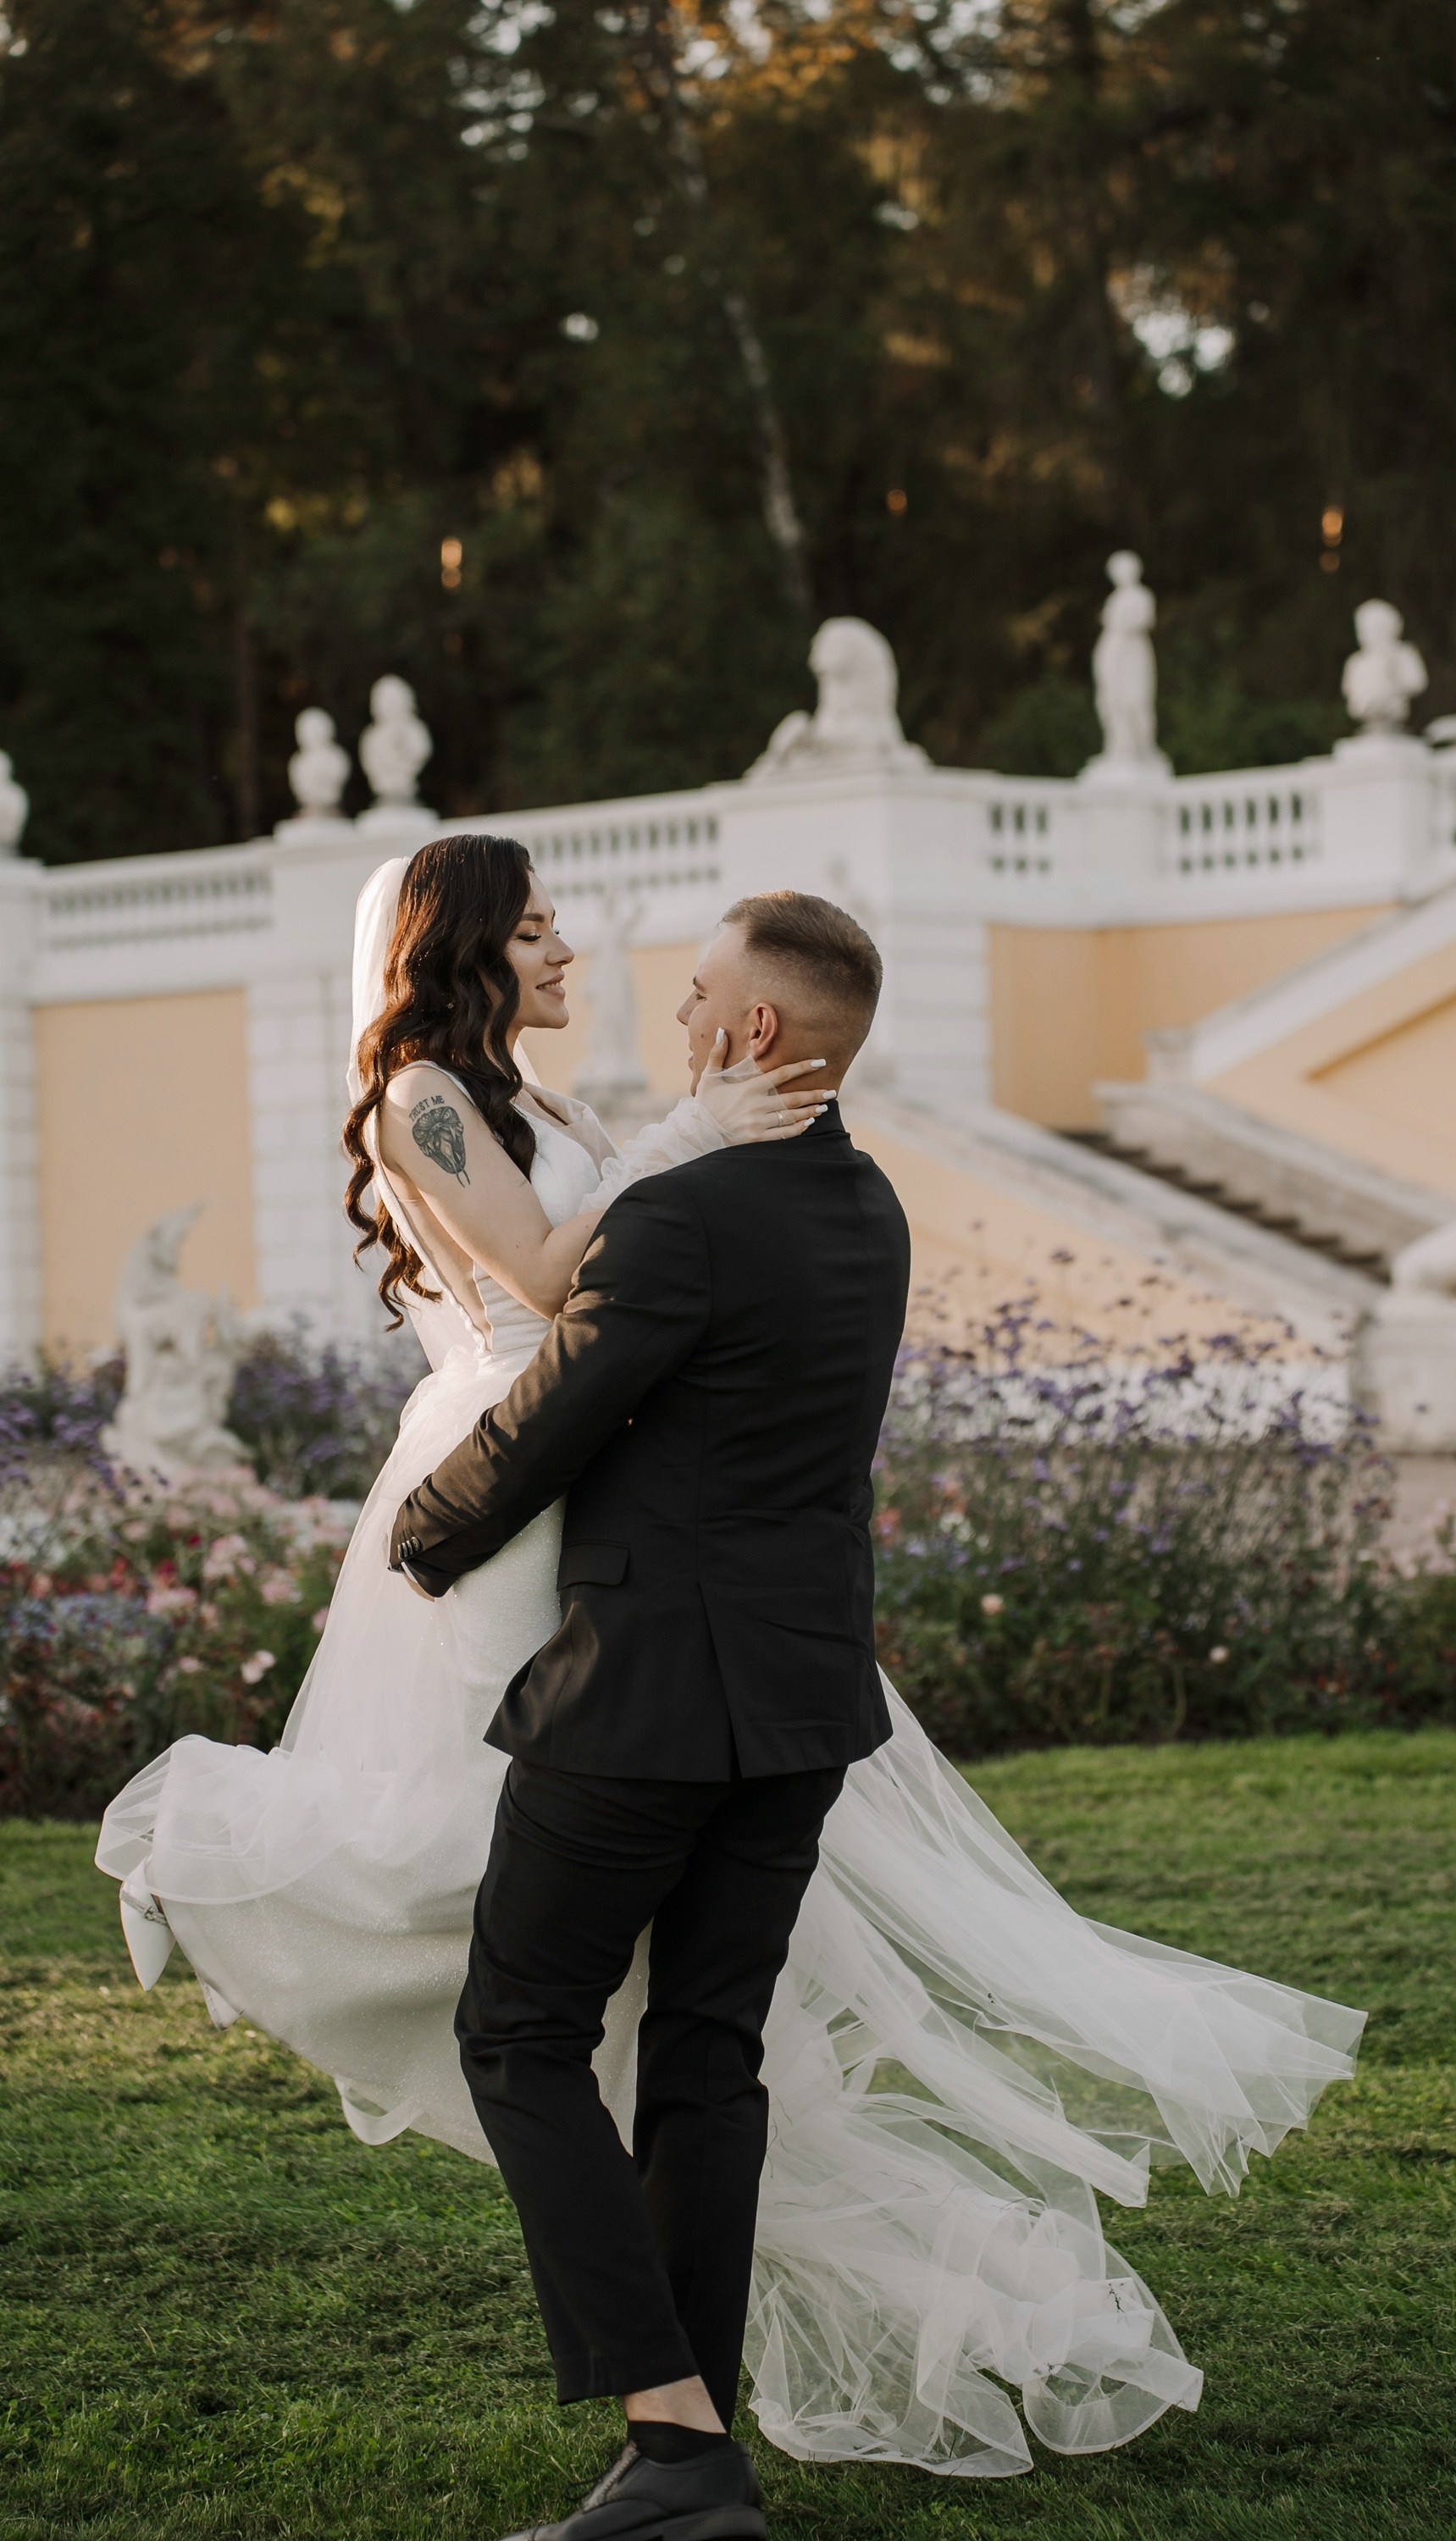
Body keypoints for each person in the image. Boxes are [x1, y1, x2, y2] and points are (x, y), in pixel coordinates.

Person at [99, 837, 1365, 2530]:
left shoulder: (667, 1178)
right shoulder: (815, 1191)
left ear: (758, 1035)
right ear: (463, 948)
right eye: (540, 927)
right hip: (730, 1633)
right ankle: (677, 2450)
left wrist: (433, 1527)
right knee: (678, 2020)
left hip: (619, 1613)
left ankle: (678, 2436)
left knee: (537, 2015)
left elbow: (588, 1322)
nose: (589, 961)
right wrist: (679, 1146)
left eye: (683, 986)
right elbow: (565, 1303)